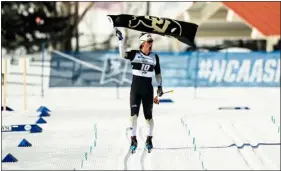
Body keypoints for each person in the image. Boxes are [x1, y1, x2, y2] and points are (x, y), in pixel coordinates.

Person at [115, 28, 164, 151]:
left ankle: (149, 140)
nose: (150, 44)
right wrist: (121, 41)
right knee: (133, 117)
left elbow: (158, 73)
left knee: (149, 118)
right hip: (136, 90)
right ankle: (133, 140)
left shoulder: (154, 57)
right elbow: (122, 55)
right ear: (142, 43)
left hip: (148, 90)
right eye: (148, 41)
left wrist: (159, 86)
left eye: (151, 41)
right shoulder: (134, 54)